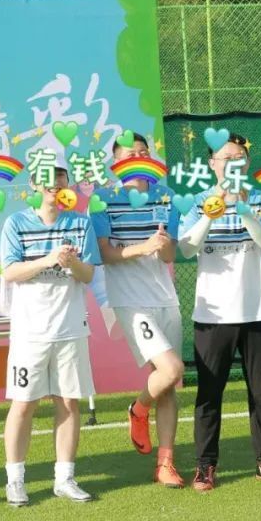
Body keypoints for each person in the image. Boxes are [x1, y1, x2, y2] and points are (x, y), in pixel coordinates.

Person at [177, 133, 261, 491]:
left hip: (257, 312)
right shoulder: (197, 201)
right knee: (209, 395)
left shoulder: (260, 199)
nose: (232, 163)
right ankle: (205, 466)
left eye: (238, 158)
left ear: (246, 164)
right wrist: (210, 213)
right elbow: (186, 248)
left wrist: (244, 209)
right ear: (212, 163)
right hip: (212, 317)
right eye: (225, 158)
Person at [0, 160, 100, 506]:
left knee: (69, 403)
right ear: (34, 185)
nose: (55, 186)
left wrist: (72, 263)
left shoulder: (80, 223)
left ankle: (65, 478)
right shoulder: (16, 223)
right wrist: (49, 259)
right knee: (23, 404)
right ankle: (15, 480)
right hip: (29, 332)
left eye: (60, 180)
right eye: (47, 180)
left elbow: (88, 275)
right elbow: (10, 272)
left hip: (70, 329)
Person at [91, 131, 185, 488]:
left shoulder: (166, 196)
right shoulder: (103, 199)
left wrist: (161, 245)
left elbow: (170, 254)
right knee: (172, 368)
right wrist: (143, 247)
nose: (139, 157)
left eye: (143, 152)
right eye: (131, 153)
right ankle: (138, 408)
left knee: (168, 384)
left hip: (165, 298)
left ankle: (165, 463)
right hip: (130, 301)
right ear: (116, 162)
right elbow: (104, 254)